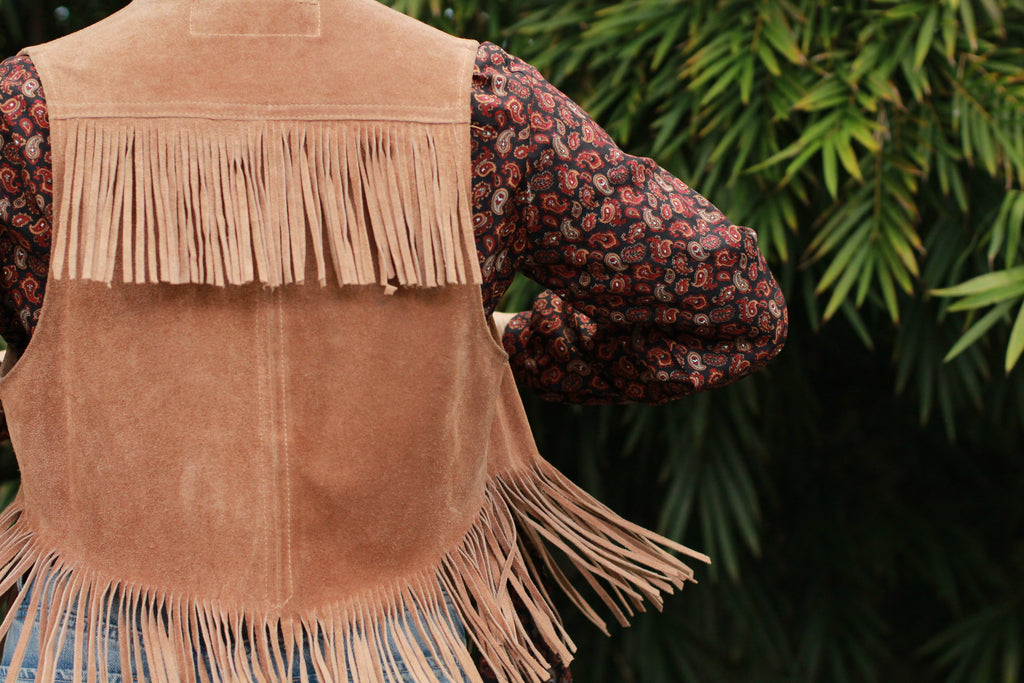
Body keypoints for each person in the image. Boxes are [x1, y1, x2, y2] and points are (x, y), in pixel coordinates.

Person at [0, 0, 788, 681]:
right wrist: (508, 348)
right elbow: (729, 299)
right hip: (395, 642)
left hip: (93, 633)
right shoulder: (482, 103)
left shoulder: (29, 108)